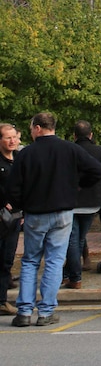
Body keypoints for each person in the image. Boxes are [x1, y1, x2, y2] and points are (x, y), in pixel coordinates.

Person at [6, 113, 101, 327]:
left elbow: (13, 188)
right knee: (54, 260)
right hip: (63, 211)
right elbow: (97, 170)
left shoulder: (25, 154)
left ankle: (24, 311)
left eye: (31, 129)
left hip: (35, 212)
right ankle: (46, 311)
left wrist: (21, 203)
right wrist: (76, 187)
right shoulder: (70, 149)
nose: (30, 133)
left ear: (38, 128)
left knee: (31, 260)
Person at [63, 120, 101, 290]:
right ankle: (71, 275)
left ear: (74, 136)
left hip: (71, 201)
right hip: (93, 202)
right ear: (91, 135)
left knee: (73, 239)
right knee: (79, 238)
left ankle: (73, 276)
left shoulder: (67, 151)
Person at [0, 124, 21, 316]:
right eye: (7, 138)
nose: (12, 141)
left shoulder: (18, 161)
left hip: (14, 218)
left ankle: (2, 300)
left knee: (7, 260)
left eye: (14, 137)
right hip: (1, 218)